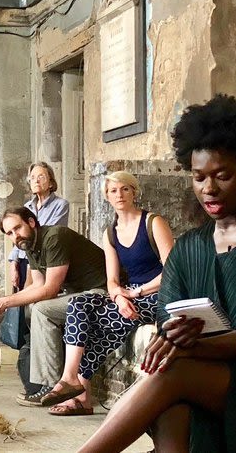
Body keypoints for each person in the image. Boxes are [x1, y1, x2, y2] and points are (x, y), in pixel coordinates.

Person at [80, 95, 236, 452]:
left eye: (222, 175)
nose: (208, 188)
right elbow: (167, 321)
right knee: (172, 398)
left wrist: (192, 344)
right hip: (196, 378)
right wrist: (178, 336)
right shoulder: (189, 247)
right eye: (199, 177)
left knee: (171, 374)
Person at [46, 171, 173, 417]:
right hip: (129, 295)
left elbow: (174, 270)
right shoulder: (110, 233)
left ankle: (80, 394)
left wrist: (135, 293)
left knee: (100, 325)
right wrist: (118, 296)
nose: (119, 194)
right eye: (113, 190)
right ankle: (70, 379)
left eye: (125, 189)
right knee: (79, 304)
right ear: (106, 196)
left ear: (134, 192)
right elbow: (112, 280)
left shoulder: (153, 222)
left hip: (159, 293)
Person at [0, 206, 106, 407]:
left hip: (102, 292)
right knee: (34, 308)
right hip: (79, 297)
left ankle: (53, 384)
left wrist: (3, 303)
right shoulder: (30, 247)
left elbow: (50, 289)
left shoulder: (54, 237)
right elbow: (37, 285)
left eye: (17, 228)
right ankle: (46, 383)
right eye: (9, 233)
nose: (15, 236)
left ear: (31, 222)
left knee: (42, 309)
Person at [7, 162, 69, 397]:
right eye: (32, 176)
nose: (36, 180)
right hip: (25, 258)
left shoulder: (60, 204)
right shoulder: (26, 207)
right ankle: (31, 367)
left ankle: (46, 373)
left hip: (46, 257)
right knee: (25, 311)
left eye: (41, 176)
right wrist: (14, 264)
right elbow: (18, 238)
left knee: (39, 306)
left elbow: (46, 233)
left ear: (51, 181)